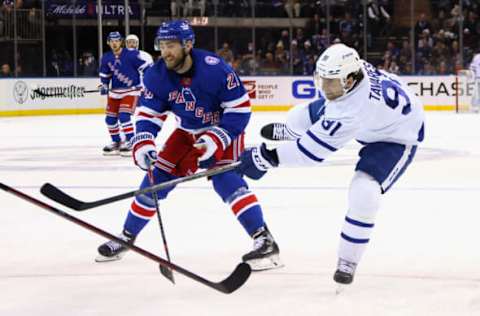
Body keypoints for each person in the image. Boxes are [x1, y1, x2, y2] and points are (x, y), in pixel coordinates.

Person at [96, 20, 282, 271]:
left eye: (171, 45)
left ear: (188, 44)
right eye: (162, 45)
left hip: (222, 129)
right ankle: (127, 237)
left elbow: (239, 109)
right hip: (187, 131)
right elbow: (149, 115)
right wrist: (143, 143)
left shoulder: (215, 69)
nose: (166, 52)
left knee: (224, 178)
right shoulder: (155, 74)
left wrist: (215, 139)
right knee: (155, 179)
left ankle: (264, 240)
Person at [238, 43, 425, 286]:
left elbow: (309, 154)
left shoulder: (352, 110)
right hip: (379, 113)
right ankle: (293, 131)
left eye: (331, 82)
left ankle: (348, 260)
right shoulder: (350, 78)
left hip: (396, 136)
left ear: (350, 79)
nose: (325, 88)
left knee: (364, 192)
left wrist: (266, 157)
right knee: (298, 116)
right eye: (322, 79)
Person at [99, 31, 153, 156]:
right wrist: (104, 85)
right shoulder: (106, 57)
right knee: (110, 119)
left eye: (117, 40)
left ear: (121, 42)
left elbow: (147, 67)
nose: (114, 43)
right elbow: (105, 75)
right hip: (115, 93)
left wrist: (148, 82)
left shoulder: (132, 55)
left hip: (131, 91)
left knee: (124, 117)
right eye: (111, 41)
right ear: (108, 42)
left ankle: (132, 142)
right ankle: (117, 142)